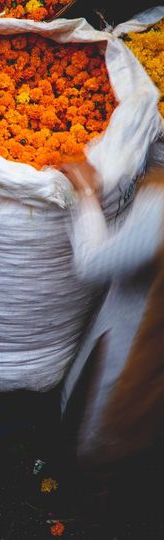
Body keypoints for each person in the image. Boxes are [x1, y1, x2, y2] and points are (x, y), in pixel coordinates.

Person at [60, 162, 163, 483]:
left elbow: (92, 263)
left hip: (132, 349)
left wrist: (86, 193)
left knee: (99, 424)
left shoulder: (160, 208)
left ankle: (90, 495)